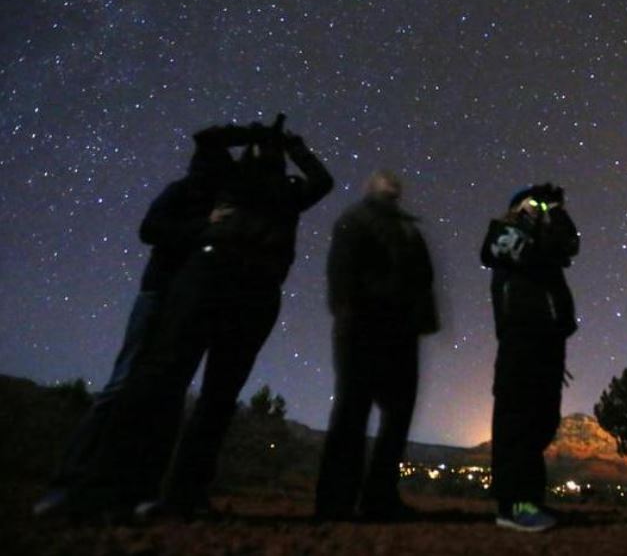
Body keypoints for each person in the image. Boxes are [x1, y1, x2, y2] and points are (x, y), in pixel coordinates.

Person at [73, 115, 333, 518]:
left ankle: (180, 495)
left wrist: (282, 142)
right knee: (175, 384)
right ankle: (129, 489)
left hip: (243, 290)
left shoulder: (282, 190)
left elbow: (324, 181)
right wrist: (273, 139)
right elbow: (207, 139)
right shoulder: (236, 178)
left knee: (215, 396)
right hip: (218, 283)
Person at [33, 128, 235, 518]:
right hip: (158, 296)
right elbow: (150, 230)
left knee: (163, 392)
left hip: (185, 302)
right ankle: (69, 482)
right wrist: (202, 223)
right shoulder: (182, 191)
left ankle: (137, 488)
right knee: (123, 382)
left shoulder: (218, 199)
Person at [315, 170, 438, 522]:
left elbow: (422, 278)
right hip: (364, 328)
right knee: (352, 413)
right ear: (370, 187)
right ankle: (335, 503)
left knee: (396, 417)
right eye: (385, 181)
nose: (393, 185)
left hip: (401, 330)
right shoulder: (355, 220)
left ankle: (379, 498)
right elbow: (341, 274)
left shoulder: (408, 228)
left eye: (395, 182)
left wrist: (421, 321)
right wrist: (348, 317)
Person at [480, 183, 579, 532]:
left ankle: (531, 502)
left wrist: (554, 214)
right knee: (517, 423)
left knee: (541, 423)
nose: (547, 209)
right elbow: (533, 253)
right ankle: (513, 506)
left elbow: (569, 244)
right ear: (519, 209)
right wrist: (536, 216)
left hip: (549, 343)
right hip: (522, 340)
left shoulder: (546, 243)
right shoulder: (505, 237)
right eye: (538, 204)